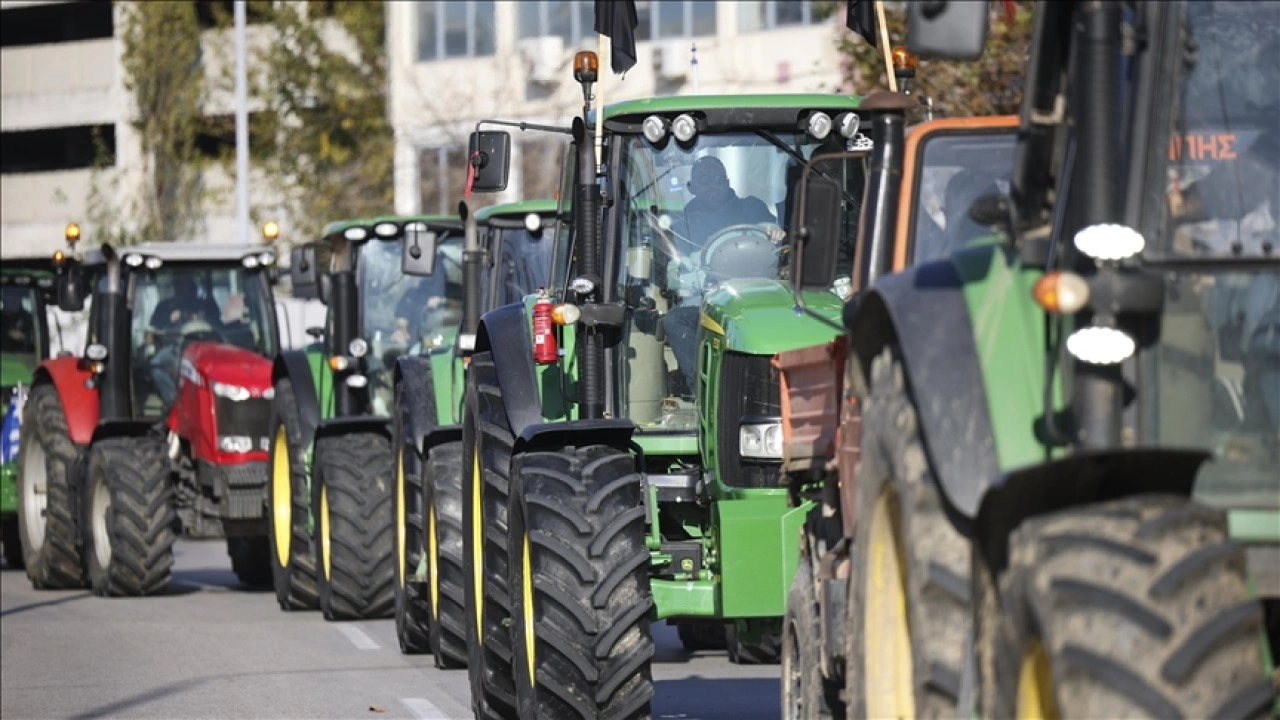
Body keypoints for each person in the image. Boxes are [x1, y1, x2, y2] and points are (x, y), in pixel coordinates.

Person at [662, 156, 786, 396]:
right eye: (705, 180)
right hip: (708, 300)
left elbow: (771, 230)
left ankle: (778, 389)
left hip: (759, 297)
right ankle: (702, 391)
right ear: (692, 187)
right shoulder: (683, 221)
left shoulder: (751, 207)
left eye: (718, 179)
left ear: (728, 182)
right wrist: (701, 276)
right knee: (675, 320)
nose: (712, 185)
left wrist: (772, 229)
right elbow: (677, 270)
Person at [148, 280, 223, 405]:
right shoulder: (165, 306)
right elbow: (154, 331)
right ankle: (175, 401)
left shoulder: (206, 305)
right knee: (156, 365)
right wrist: (169, 322)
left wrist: (199, 317)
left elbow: (220, 325)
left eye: (187, 287)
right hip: (176, 348)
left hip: (209, 348)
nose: (183, 290)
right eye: (180, 287)